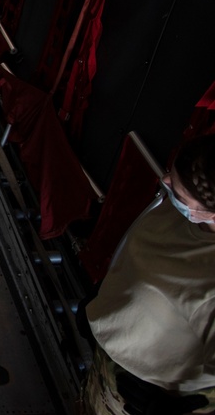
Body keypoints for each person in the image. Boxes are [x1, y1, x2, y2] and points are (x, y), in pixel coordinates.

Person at [82, 134, 215, 414]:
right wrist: (105, 300)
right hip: (109, 368)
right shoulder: (177, 213)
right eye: (170, 173)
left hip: (143, 399)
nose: (165, 181)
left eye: (178, 192)